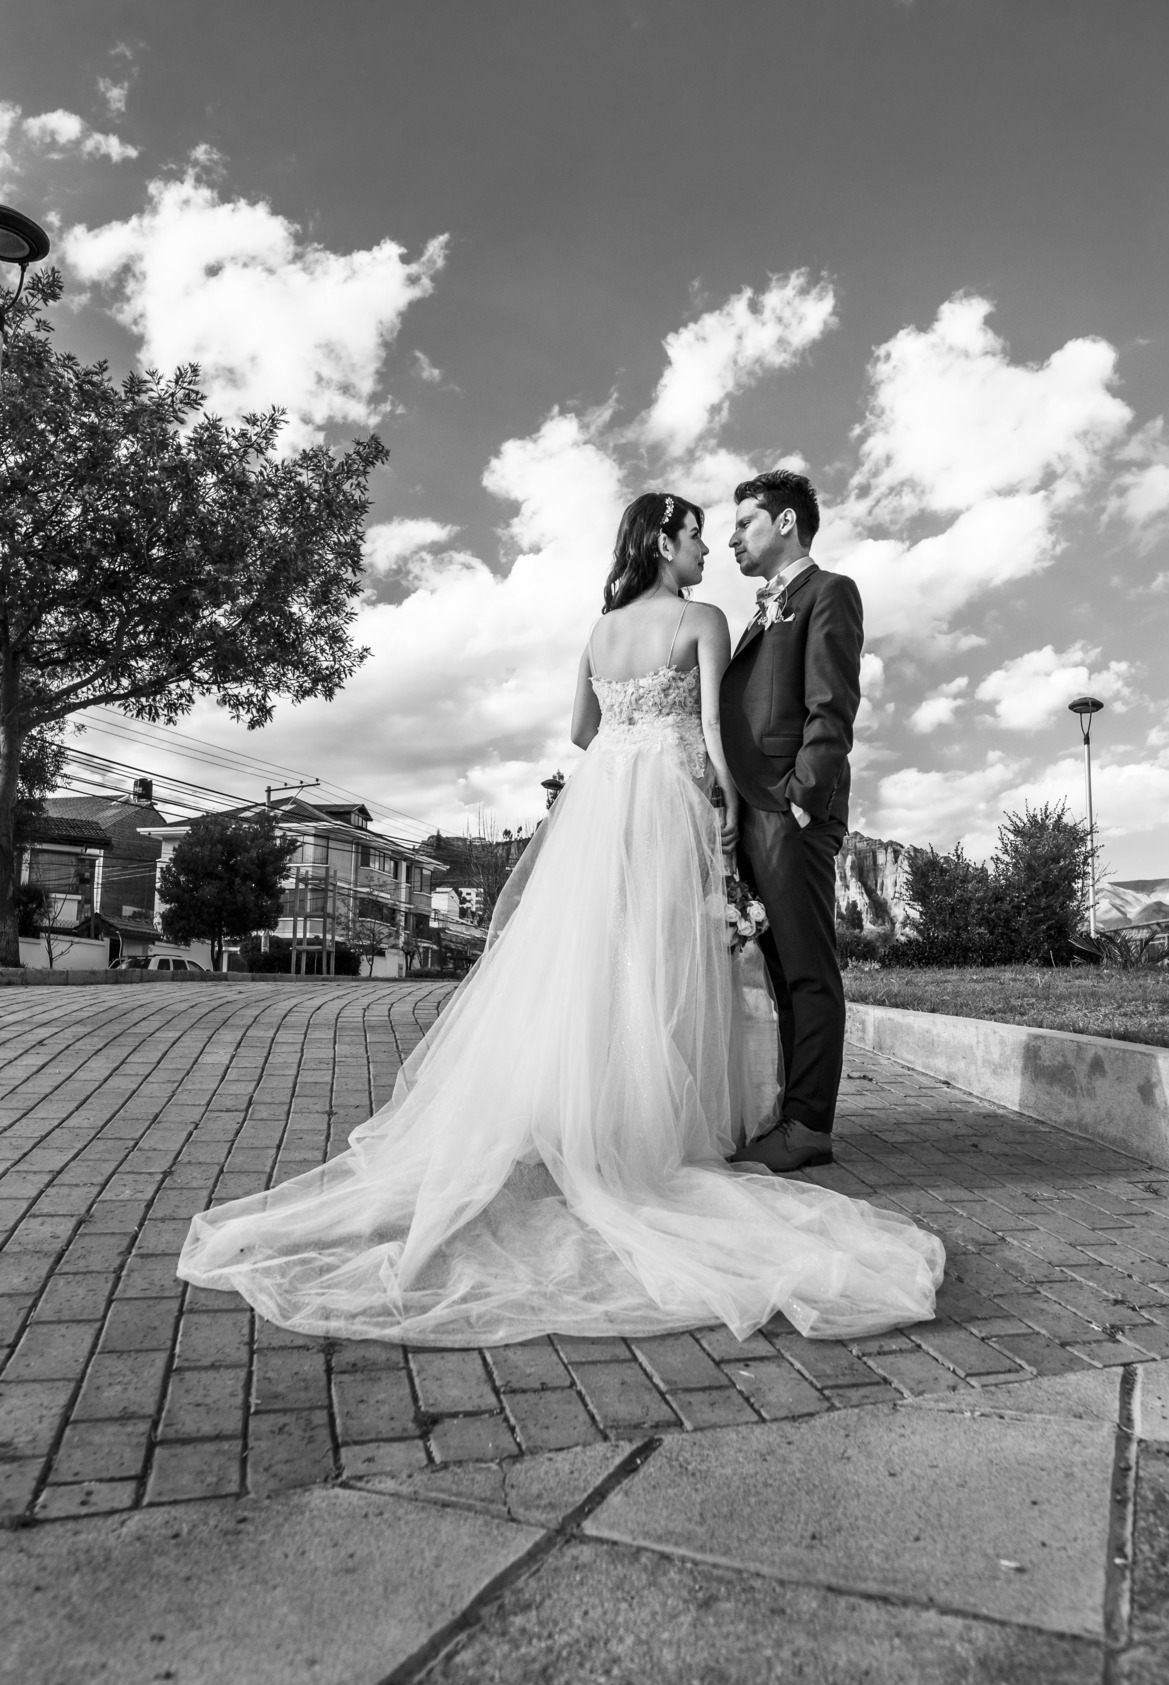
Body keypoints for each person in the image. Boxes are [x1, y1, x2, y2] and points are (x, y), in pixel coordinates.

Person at [177, 492, 942, 1346]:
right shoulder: (704, 618)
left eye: (729, 530)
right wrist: (716, 789)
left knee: (592, 959)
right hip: (672, 804)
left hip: (605, 800)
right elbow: (719, 739)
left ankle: (592, 1116)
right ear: (664, 539)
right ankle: (667, 1127)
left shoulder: (601, 629)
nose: (712, 547)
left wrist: (643, 749)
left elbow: (584, 730)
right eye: (697, 535)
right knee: (661, 961)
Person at [722, 471, 861, 1173]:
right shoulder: (760, 609)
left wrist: (803, 795)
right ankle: (792, 1112)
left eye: (744, 521)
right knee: (779, 969)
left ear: (784, 523)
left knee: (807, 969)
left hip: (789, 809)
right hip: (755, 810)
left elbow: (830, 704)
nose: (731, 537)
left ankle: (809, 1126)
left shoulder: (828, 592)